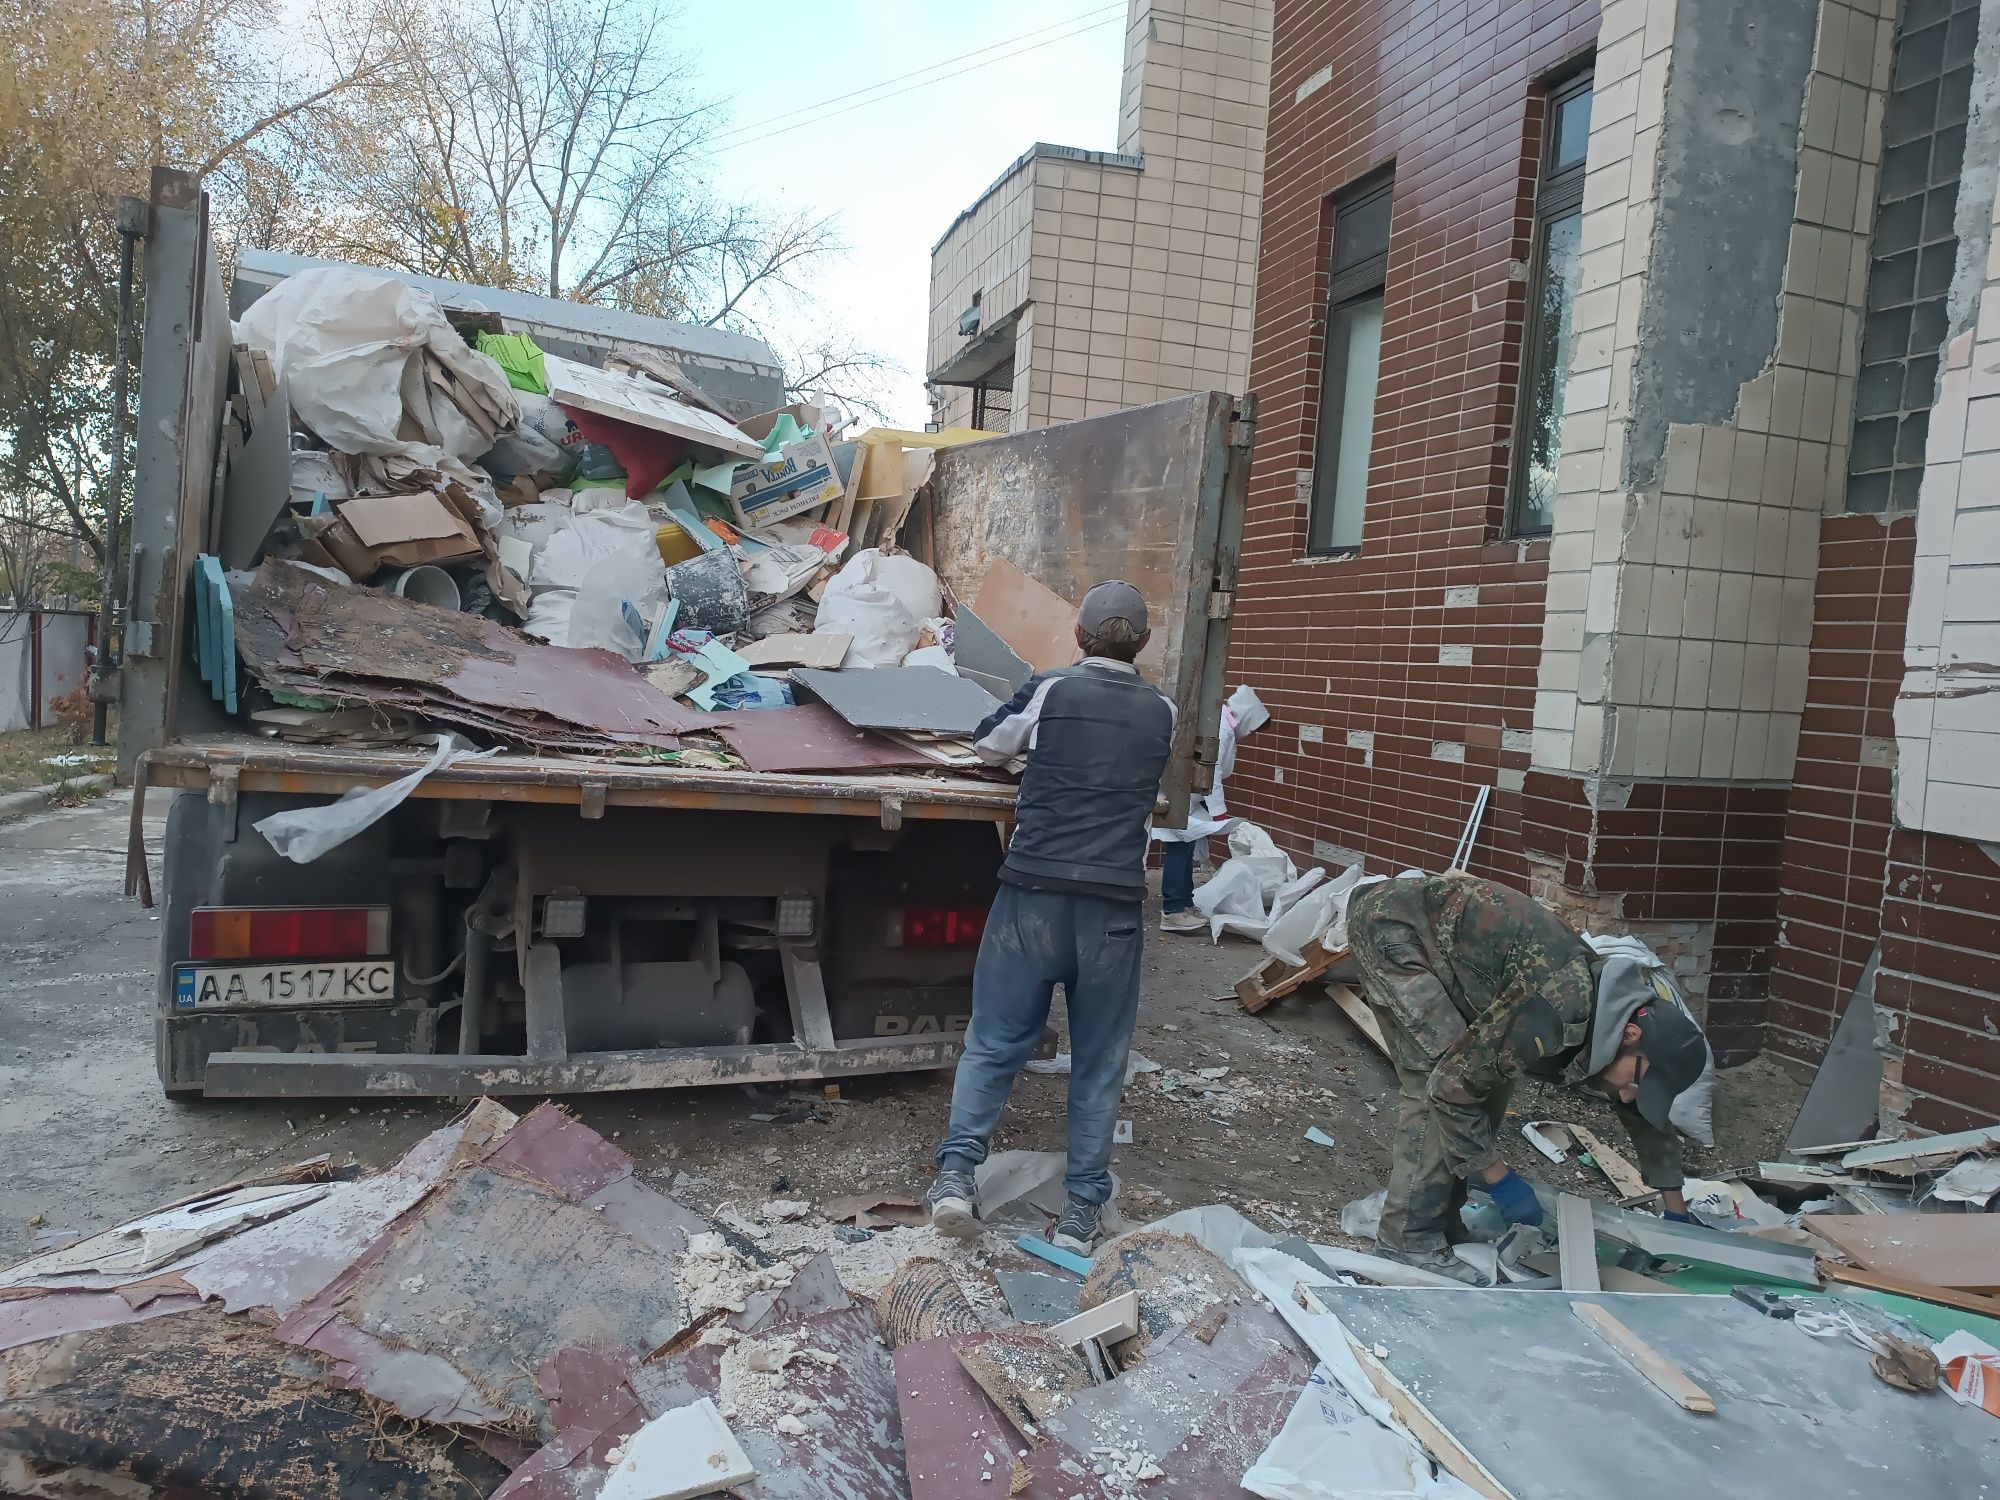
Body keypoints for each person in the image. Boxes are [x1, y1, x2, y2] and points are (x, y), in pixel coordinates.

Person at [926, 580, 1176, 1253]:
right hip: (1113, 912)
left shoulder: (1054, 688)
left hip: (1033, 896)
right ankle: (1079, 1213)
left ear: (1079, 636)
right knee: (1098, 1060)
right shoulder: (1164, 709)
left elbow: (989, 744)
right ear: (1144, 644)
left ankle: (956, 1177)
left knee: (996, 1040)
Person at [1345, 872, 1711, 1282]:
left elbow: (1641, 1111)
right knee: (1439, 1084)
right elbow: (1450, 1090)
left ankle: (1445, 1225)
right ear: (1630, 1035)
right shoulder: (1558, 1008)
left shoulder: (1619, 1026)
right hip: (1397, 932)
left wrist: (1674, 1211)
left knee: (1486, 1083)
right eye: (1636, 1082)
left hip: (1453, 957)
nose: (1627, 1095)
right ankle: (1407, 1242)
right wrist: (1501, 1180)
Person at [1155, 684, 1268, 935]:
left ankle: (1183, 904)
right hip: (1184, 795)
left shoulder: (1220, 725)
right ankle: (1173, 909)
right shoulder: (1222, 729)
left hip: (1187, 796)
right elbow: (1212, 771)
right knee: (1179, 849)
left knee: (1184, 850)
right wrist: (1219, 813)